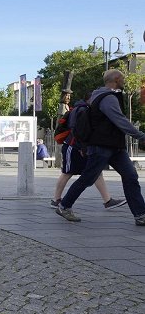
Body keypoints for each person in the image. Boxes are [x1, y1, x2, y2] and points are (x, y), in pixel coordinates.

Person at [56, 69, 145, 224]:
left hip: (115, 146)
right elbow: (119, 120)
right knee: (87, 178)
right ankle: (64, 205)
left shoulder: (102, 95)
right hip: (101, 146)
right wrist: (140, 135)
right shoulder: (108, 98)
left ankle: (140, 215)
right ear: (116, 79)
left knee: (130, 175)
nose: (123, 81)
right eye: (122, 79)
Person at [50, 94, 125, 210]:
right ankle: (56, 200)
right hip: (74, 146)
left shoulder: (83, 109)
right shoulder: (82, 110)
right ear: (90, 99)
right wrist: (82, 147)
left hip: (80, 146)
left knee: (96, 172)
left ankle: (108, 201)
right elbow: (78, 130)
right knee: (67, 172)